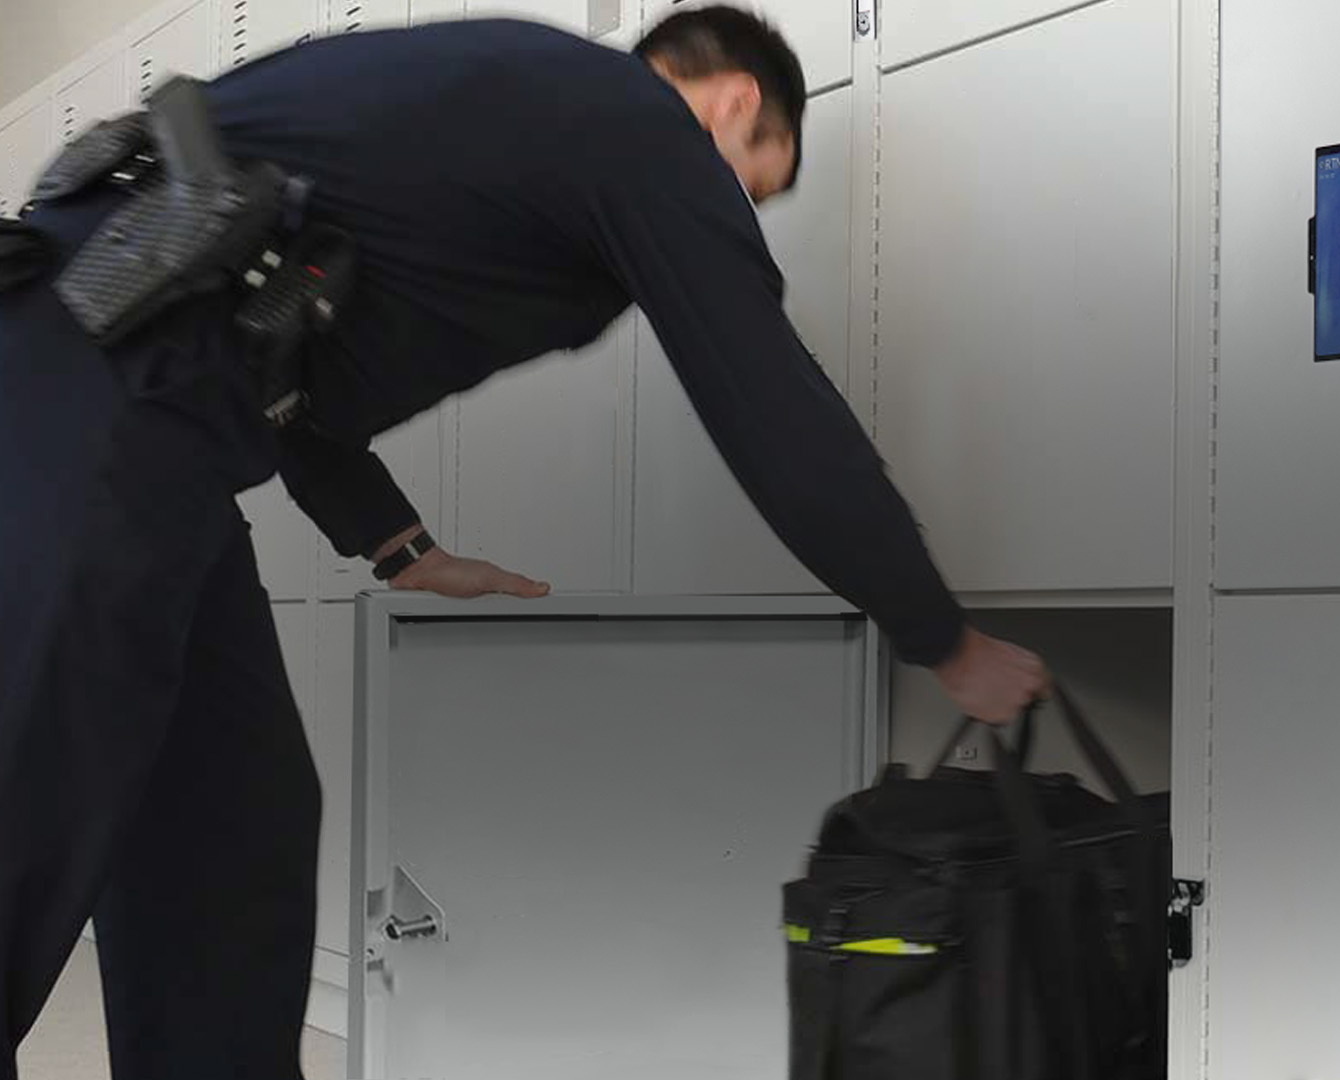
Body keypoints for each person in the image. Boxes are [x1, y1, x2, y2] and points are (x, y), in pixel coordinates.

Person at [0, 8, 1047, 1077]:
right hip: (85, 400)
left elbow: (273, 347)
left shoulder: (519, 99)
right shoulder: (636, 126)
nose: (731, 214)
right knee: (26, 807)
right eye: (752, 180)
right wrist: (944, 641)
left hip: (150, 416)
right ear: (732, 103)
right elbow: (773, 411)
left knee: (232, 827)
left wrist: (401, 548)